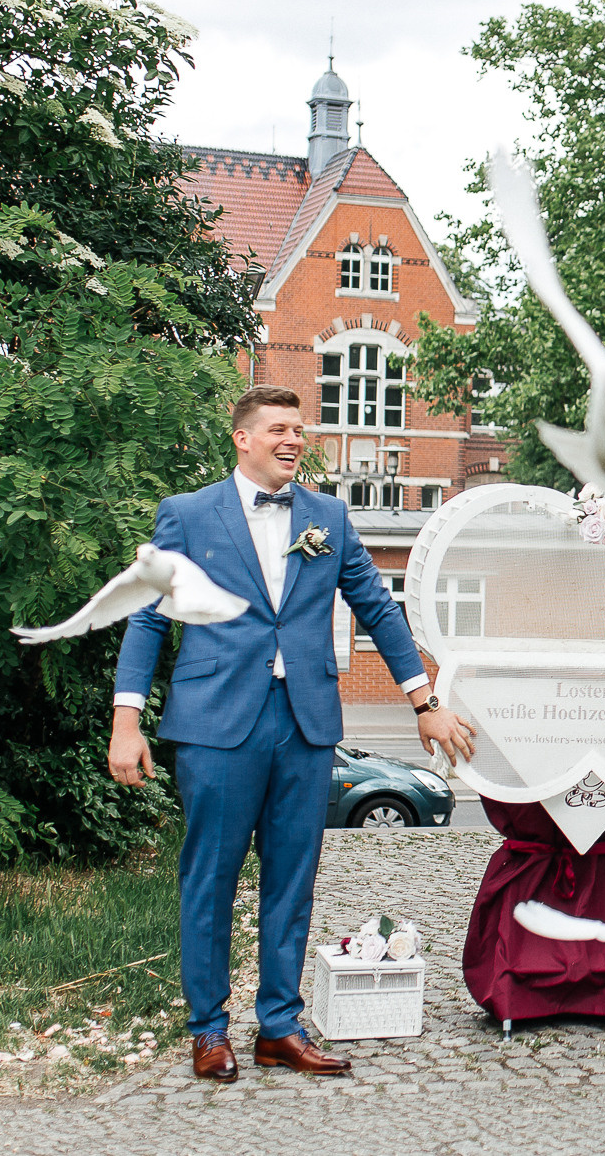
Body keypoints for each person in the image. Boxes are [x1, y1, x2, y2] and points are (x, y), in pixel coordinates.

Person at [107, 385, 475, 1083]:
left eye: (299, 429)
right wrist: (128, 721)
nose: (292, 440)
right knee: (211, 878)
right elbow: (149, 618)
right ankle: (208, 1030)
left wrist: (423, 700)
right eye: (277, 428)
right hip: (216, 725)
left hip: (306, 725)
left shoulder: (328, 516)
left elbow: (376, 604)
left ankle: (279, 1024)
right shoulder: (186, 515)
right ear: (241, 436)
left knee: (293, 879)